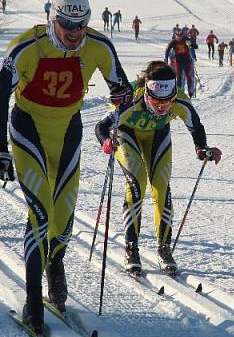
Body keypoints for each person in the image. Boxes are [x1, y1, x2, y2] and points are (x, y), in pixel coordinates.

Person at [0, 0, 133, 333]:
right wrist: (0, 149)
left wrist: (118, 115)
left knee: (64, 218)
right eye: (67, 27)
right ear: (52, 19)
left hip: (68, 131)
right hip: (28, 131)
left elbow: (125, 93)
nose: (74, 35)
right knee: (40, 213)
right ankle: (32, 302)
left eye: (81, 26)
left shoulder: (99, 46)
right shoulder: (26, 46)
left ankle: (55, 263)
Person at [94, 60, 222, 277]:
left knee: (161, 187)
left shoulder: (181, 99)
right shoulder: (130, 98)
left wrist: (202, 149)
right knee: (137, 183)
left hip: (158, 135)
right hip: (126, 134)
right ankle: (131, 249)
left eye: (168, 101)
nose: (162, 107)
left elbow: (196, 126)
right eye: (155, 100)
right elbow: (101, 126)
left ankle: (164, 248)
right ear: (146, 92)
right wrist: (106, 141)